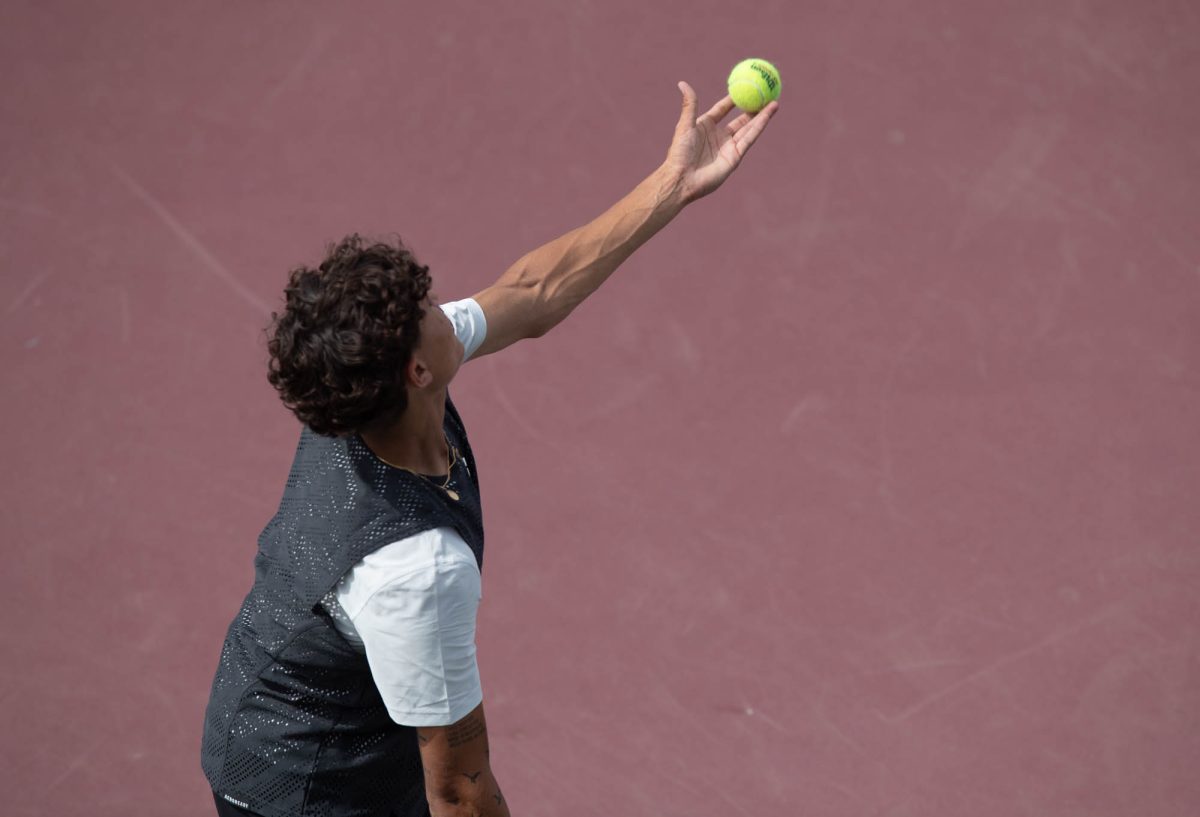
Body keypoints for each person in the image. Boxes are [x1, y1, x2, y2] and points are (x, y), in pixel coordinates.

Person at [200, 82, 778, 817]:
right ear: (418, 371)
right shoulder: (417, 570)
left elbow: (533, 290)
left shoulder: (355, 389)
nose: (446, 310)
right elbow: (461, 791)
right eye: (428, 314)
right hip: (306, 791)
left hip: (314, 719)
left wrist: (673, 186)